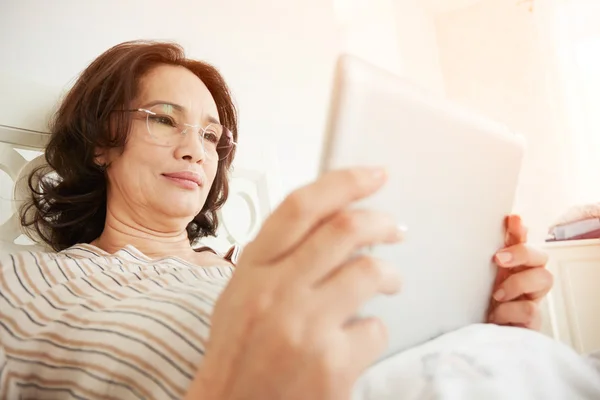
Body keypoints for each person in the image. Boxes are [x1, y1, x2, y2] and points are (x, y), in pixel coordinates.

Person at [0, 40, 557, 399]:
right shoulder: (29, 281)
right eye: (165, 120)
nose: (197, 149)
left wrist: (479, 326)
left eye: (212, 136)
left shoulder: (270, 265)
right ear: (101, 142)